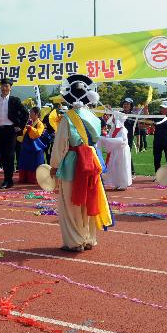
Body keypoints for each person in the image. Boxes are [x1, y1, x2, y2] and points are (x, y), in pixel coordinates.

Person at [49, 74, 113, 251]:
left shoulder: (67, 118)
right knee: (88, 199)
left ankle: (75, 241)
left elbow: (60, 145)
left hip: (73, 162)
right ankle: (89, 238)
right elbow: (96, 140)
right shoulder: (93, 116)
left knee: (71, 203)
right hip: (91, 161)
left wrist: (53, 167)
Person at [0, 78, 27, 189]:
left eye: (7, 86)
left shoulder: (15, 100)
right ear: (0, 87)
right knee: (2, 155)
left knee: (9, 155)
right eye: (3, 86)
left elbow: (25, 113)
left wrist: (19, 126)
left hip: (10, 130)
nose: (4, 88)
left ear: (10, 87)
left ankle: (8, 180)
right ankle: (7, 179)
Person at [97, 111, 133, 190]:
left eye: (114, 118)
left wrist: (108, 140)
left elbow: (122, 141)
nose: (112, 119)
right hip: (115, 150)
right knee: (115, 166)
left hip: (121, 151)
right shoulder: (113, 129)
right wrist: (105, 137)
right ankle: (117, 182)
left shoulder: (123, 130)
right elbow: (111, 138)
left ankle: (123, 183)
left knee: (122, 166)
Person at [18, 107, 46, 183]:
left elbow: (38, 133)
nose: (30, 114)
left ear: (36, 114)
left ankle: (33, 178)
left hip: (35, 145)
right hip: (26, 144)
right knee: (25, 161)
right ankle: (25, 177)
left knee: (34, 162)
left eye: (31, 112)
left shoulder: (40, 123)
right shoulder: (30, 122)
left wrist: (30, 128)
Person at [152, 100, 167, 173]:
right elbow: (147, 119)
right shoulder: (157, 116)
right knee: (157, 159)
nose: (162, 110)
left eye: (164, 108)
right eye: (161, 108)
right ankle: (157, 175)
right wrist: (146, 109)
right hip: (157, 141)